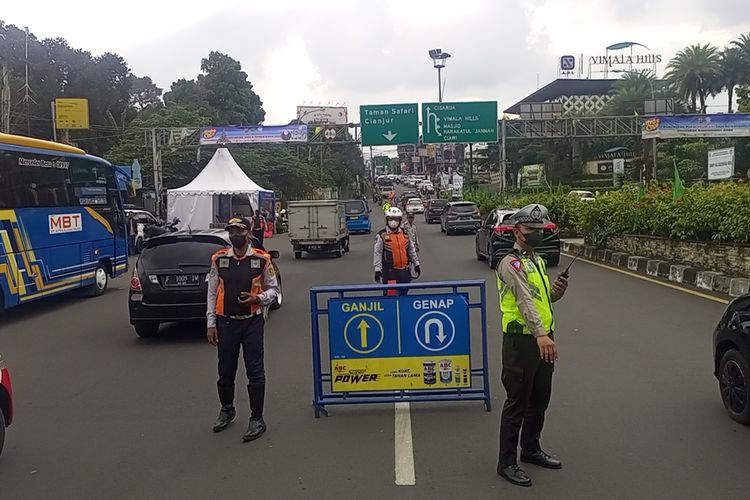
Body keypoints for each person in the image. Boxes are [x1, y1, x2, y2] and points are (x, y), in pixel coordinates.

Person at [495, 204, 569, 487]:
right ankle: (506, 462)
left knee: (540, 399)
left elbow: (540, 298)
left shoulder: (536, 261)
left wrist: (556, 292)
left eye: (540, 230)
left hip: (542, 337)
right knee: (517, 402)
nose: (536, 234)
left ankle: (530, 449)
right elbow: (524, 302)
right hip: (521, 341)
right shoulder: (510, 263)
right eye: (530, 230)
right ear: (517, 232)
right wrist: (541, 335)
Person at [206, 217, 279, 442]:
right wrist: (210, 323)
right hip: (225, 322)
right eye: (231, 231)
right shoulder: (219, 260)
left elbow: (273, 290)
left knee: (255, 371)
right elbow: (211, 292)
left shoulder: (261, 259)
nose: (235, 235)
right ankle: (227, 409)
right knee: (225, 370)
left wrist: (257, 298)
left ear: (248, 233)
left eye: (239, 231)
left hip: (252, 321)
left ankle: (257, 419)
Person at [373, 207, 420, 289]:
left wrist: (416, 264)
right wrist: (377, 270)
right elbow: (378, 253)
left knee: (404, 296)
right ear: (387, 220)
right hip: (390, 272)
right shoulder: (382, 235)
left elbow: (411, 250)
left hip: (404, 271)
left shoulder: (405, 234)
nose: (393, 222)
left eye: (396, 219)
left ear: (400, 220)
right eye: (391, 219)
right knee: (391, 296)